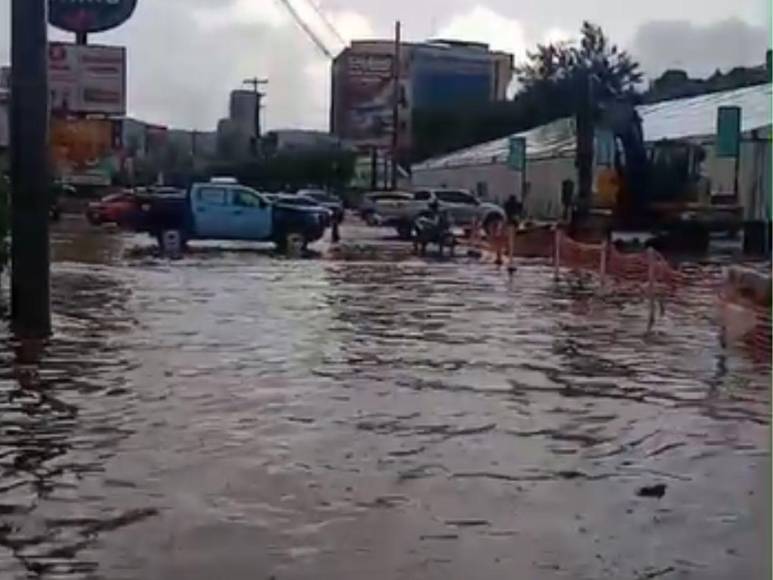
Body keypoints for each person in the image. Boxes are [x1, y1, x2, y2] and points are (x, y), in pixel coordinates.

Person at [503, 194, 522, 270]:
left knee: (510, 237)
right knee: (511, 237)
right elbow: (519, 209)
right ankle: (510, 253)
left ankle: (510, 252)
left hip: (510, 221)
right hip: (512, 221)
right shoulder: (515, 206)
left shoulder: (507, 205)